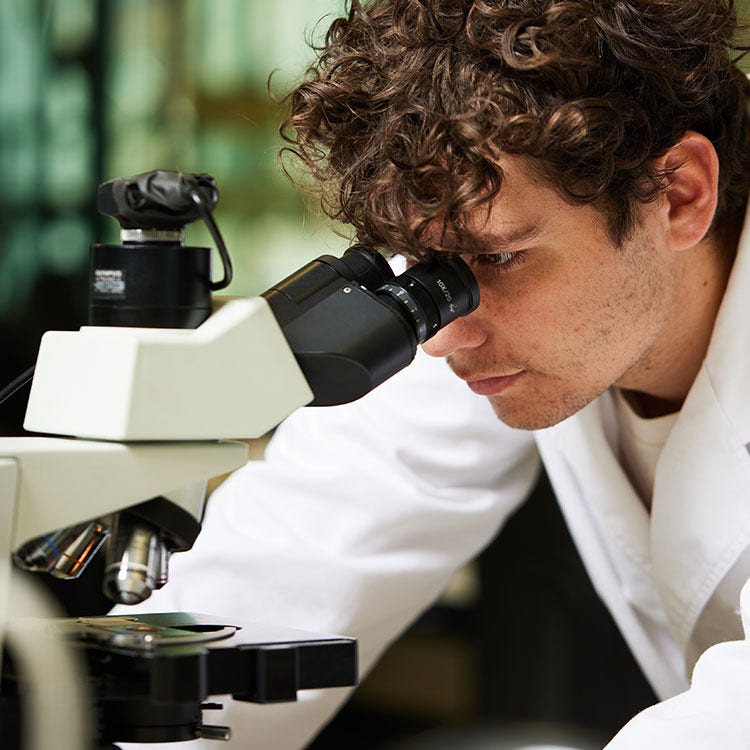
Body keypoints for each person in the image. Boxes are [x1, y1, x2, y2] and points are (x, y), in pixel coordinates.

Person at [121, 1, 750, 748]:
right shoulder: (522, 315)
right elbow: (297, 549)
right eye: (424, 268)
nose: (444, 338)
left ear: (677, 194)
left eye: (498, 256)